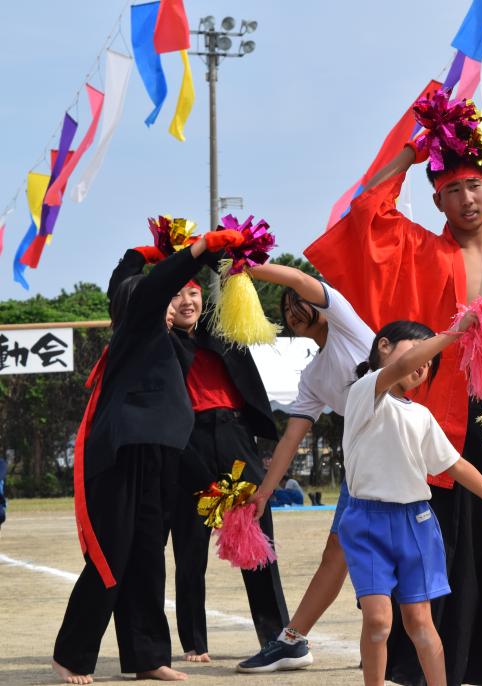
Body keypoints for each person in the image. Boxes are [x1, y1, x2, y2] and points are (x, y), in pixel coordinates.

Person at [304, 107, 482, 684]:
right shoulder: (419, 249)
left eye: (475, 185)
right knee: (447, 553)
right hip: (444, 424)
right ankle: (437, 672)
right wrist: (417, 146)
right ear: (436, 200)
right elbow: (366, 212)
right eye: (452, 189)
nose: (466, 199)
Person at [52, 231, 237, 684]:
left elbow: (125, 275)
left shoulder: (147, 324)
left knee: (148, 556)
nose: (176, 301)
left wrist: (143, 253)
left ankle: (148, 656)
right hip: (123, 452)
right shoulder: (139, 324)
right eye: (171, 296)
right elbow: (149, 286)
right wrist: (196, 251)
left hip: (159, 451)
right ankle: (71, 655)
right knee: (113, 553)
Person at [342, 316, 482, 686]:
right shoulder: (366, 392)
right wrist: (456, 331)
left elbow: (456, 466)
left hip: (415, 523)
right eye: (418, 353)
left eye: (429, 362)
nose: (423, 365)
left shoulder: (422, 415)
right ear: (383, 345)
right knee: (379, 622)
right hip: (366, 522)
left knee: (420, 622)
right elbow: (400, 366)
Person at [236, 263, 374, 673]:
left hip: (406, 456)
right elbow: (289, 441)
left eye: (299, 302)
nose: (292, 309)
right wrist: (262, 495)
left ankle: (388, 638)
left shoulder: (347, 324)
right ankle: (292, 641)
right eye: (286, 308)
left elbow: (297, 279)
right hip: (363, 464)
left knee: (393, 553)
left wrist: (250, 266)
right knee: (340, 552)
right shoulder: (312, 375)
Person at [167, 277, 288, 662]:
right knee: (190, 549)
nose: (186, 302)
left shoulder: (219, 330)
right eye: (175, 294)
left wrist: (228, 252)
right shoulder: (156, 341)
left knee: (258, 545)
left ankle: (276, 636)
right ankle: (194, 643)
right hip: (189, 444)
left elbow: (226, 277)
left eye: (193, 293)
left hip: (235, 437)